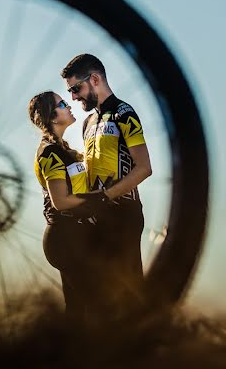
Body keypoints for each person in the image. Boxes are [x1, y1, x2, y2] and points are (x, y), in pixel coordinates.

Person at [61, 53, 153, 314]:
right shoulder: (88, 122)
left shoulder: (124, 113)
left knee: (130, 296)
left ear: (95, 79)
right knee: (98, 299)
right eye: (69, 92)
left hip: (124, 215)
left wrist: (106, 196)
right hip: (97, 218)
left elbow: (145, 167)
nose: (73, 97)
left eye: (75, 89)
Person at [28, 90, 98, 318]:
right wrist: (101, 201)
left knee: (78, 314)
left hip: (74, 237)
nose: (70, 106)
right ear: (53, 116)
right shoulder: (49, 153)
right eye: (63, 103)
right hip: (64, 239)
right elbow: (60, 201)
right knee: (101, 306)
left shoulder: (65, 150)